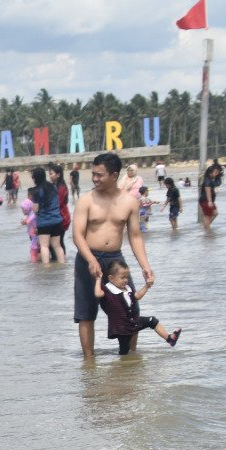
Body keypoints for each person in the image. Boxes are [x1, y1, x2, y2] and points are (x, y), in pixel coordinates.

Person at [72, 152, 157, 359]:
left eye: (99, 175)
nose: (94, 178)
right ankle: (89, 364)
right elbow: (77, 236)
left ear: (114, 175)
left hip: (115, 261)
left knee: (131, 311)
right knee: (86, 313)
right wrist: (91, 260)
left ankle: (129, 360)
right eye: (93, 174)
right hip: (87, 259)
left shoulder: (129, 201)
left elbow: (135, 236)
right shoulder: (86, 201)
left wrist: (145, 266)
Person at [94, 260, 181, 355]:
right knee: (124, 349)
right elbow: (98, 294)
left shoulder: (127, 288)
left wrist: (147, 286)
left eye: (127, 277)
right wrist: (98, 279)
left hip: (133, 321)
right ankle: (122, 367)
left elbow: (137, 296)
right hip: (121, 328)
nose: (125, 280)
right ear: (111, 278)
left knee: (152, 321)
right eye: (122, 277)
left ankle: (170, 339)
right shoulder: (108, 289)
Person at [30, 167, 65, 265]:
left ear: (35, 178)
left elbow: (35, 209)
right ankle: (62, 265)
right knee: (57, 246)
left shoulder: (37, 191)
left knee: (44, 246)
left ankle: (46, 268)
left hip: (44, 222)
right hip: (56, 220)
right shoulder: (53, 187)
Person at [47, 163, 72, 262]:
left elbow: (58, 203)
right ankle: (58, 262)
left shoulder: (61, 187)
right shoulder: (55, 186)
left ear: (58, 175)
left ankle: (60, 261)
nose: (50, 175)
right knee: (55, 241)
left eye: (51, 173)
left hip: (62, 218)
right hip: (58, 217)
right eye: (49, 173)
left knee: (58, 241)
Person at [199, 162, 220, 231]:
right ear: (210, 173)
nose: (217, 174)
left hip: (208, 200)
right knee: (208, 216)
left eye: (217, 172)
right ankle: (207, 230)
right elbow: (208, 191)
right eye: (215, 172)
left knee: (215, 213)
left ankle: (206, 228)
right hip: (206, 200)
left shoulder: (211, 179)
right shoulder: (207, 180)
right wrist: (210, 201)